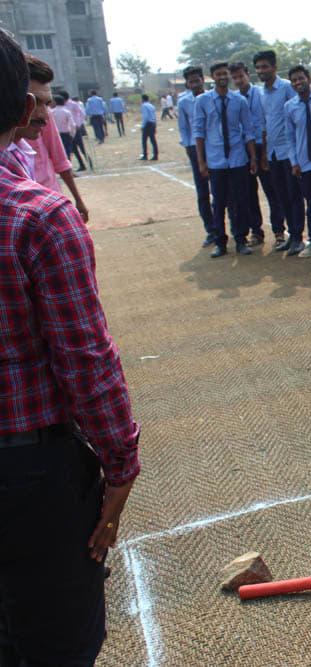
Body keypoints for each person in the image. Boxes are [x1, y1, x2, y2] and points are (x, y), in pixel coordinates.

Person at [0, 33, 140, 665]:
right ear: (17, 107)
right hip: (29, 476)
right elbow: (86, 362)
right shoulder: (35, 218)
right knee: (55, 641)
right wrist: (120, 465)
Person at [193, 62, 258, 258]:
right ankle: (220, 241)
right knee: (219, 201)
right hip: (216, 160)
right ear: (212, 77)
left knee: (240, 200)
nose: (222, 76)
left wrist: (253, 157)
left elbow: (248, 131)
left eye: (225, 73)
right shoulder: (202, 101)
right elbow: (199, 132)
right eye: (218, 74)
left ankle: (241, 239)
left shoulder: (239, 101)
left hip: (238, 159)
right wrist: (201, 162)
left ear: (229, 76)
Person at [17, 56, 89, 223]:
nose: (43, 114)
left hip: (50, 204)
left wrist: (77, 199)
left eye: (46, 104)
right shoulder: (8, 160)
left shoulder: (43, 120)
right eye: (33, 103)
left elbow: (60, 160)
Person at [255, 49, 297, 250]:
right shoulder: (260, 92)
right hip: (272, 153)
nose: (261, 70)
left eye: (265, 66)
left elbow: (297, 117)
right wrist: (263, 154)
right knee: (281, 196)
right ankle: (292, 234)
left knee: (293, 195)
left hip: (288, 151)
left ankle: (297, 235)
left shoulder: (287, 88)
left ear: (275, 67)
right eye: (258, 67)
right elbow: (264, 124)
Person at [284, 65, 311, 258]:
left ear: (309, 78)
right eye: (294, 80)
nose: (298, 83)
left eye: (301, 78)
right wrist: (294, 162)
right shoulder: (290, 107)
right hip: (305, 161)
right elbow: (290, 138)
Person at [229, 61, 268, 247]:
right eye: (234, 78)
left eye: (240, 76)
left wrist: (264, 153)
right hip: (246, 150)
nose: (238, 81)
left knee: (272, 190)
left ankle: (279, 231)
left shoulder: (261, 94)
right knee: (249, 193)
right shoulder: (234, 99)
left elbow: (267, 122)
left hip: (263, 147)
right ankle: (256, 231)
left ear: (248, 74)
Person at [177, 66, 215, 246]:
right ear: (187, 83)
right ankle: (211, 230)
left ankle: (225, 228)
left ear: (203, 80)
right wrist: (188, 147)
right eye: (191, 81)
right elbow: (184, 127)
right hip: (195, 149)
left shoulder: (211, 98)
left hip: (213, 147)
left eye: (197, 80)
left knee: (220, 190)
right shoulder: (184, 102)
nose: (194, 84)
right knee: (202, 192)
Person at [52, 94, 86, 172]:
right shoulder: (66, 111)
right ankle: (68, 168)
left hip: (58, 134)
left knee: (63, 152)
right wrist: (72, 134)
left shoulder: (52, 112)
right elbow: (72, 125)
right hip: (67, 133)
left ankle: (67, 168)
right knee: (68, 151)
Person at [69, 96, 90, 168]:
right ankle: (81, 164)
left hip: (76, 128)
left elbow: (82, 113)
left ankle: (89, 162)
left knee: (81, 147)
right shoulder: (63, 106)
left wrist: (79, 124)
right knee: (74, 149)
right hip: (69, 130)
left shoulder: (73, 104)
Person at [138, 94, 158, 161]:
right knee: (153, 140)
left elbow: (145, 117)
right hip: (153, 123)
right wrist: (155, 125)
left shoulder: (144, 106)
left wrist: (143, 126)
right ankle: (155, 155)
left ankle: (145, 155)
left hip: (148, 124)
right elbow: (154, 116)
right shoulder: (151, 106)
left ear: (142, 99)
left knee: (144, 140)